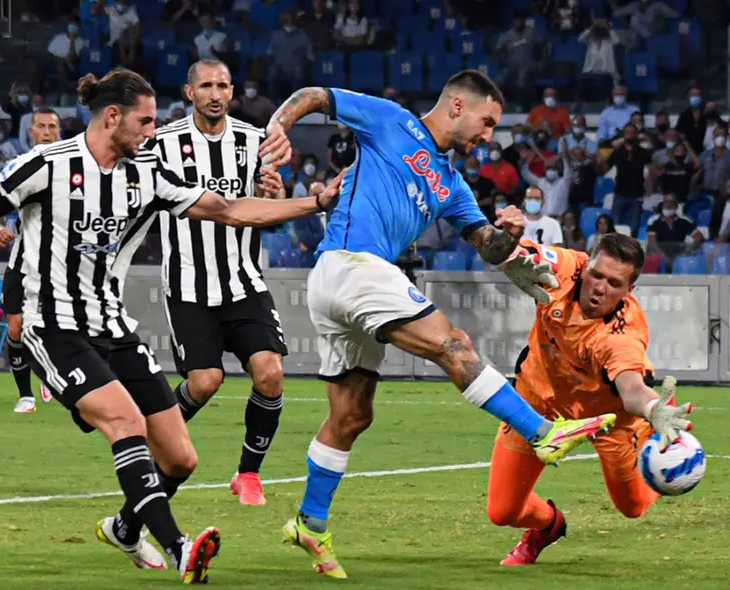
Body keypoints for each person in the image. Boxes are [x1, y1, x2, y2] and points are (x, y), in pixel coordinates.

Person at [0, 67, 346, 583]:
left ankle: (122, 527)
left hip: (113, 327)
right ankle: (181, 547)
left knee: (182, 458)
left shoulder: (145, 174)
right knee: (126, 422)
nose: (152, 132)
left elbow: (227, 209)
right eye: (145, 122)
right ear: (112, 116)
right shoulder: (47, 165)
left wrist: (314, 202)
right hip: (55, 326)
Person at [257, 71, 618, 579]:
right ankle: (541, 432)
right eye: (487, 121)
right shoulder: (391, 119)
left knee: (352, 415)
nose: (489, 135)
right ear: (456, 105)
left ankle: (310, 522)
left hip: (344, 284)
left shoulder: (450, 183)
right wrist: (277, 126)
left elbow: (487, 246)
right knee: (452, 343)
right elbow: (317, 96)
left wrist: (508, 235)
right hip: (352, 264)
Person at [486, 233, 693, 565]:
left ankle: (668, 466)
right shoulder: (565, 269)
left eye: (614, 283)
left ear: (629, 291)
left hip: (610, 416)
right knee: (502, 511)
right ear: (586, 266)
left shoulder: (621, 337)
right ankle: (548, 526)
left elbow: (632, 389)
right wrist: (504, 239)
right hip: (539, 402)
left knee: (633, 507)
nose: (600, 287)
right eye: (596, 274)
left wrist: (653, 409)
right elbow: (524, 254)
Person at [147, 59, 290, 506]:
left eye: (223, 85)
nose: (215, 93)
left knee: (270, 374)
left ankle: (248, 473)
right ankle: (161, 441)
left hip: (244, 282)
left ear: (233, 92)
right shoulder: (163, 145)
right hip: (189, 286)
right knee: (205, 381)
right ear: (189, 92)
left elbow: (271, 205)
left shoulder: (254, 142)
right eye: (206, 85)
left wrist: (276, 195)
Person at [0, 106, 62, 413]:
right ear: (31, 132)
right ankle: (25, 395)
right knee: (16, 328)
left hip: (58, 266)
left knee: (54, 329)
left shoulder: (73, 166)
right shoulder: (20, 165)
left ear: (60, 131)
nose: (47, 131)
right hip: (22, 262)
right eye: (41, 126)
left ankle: (49, 372)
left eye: (53, 127)